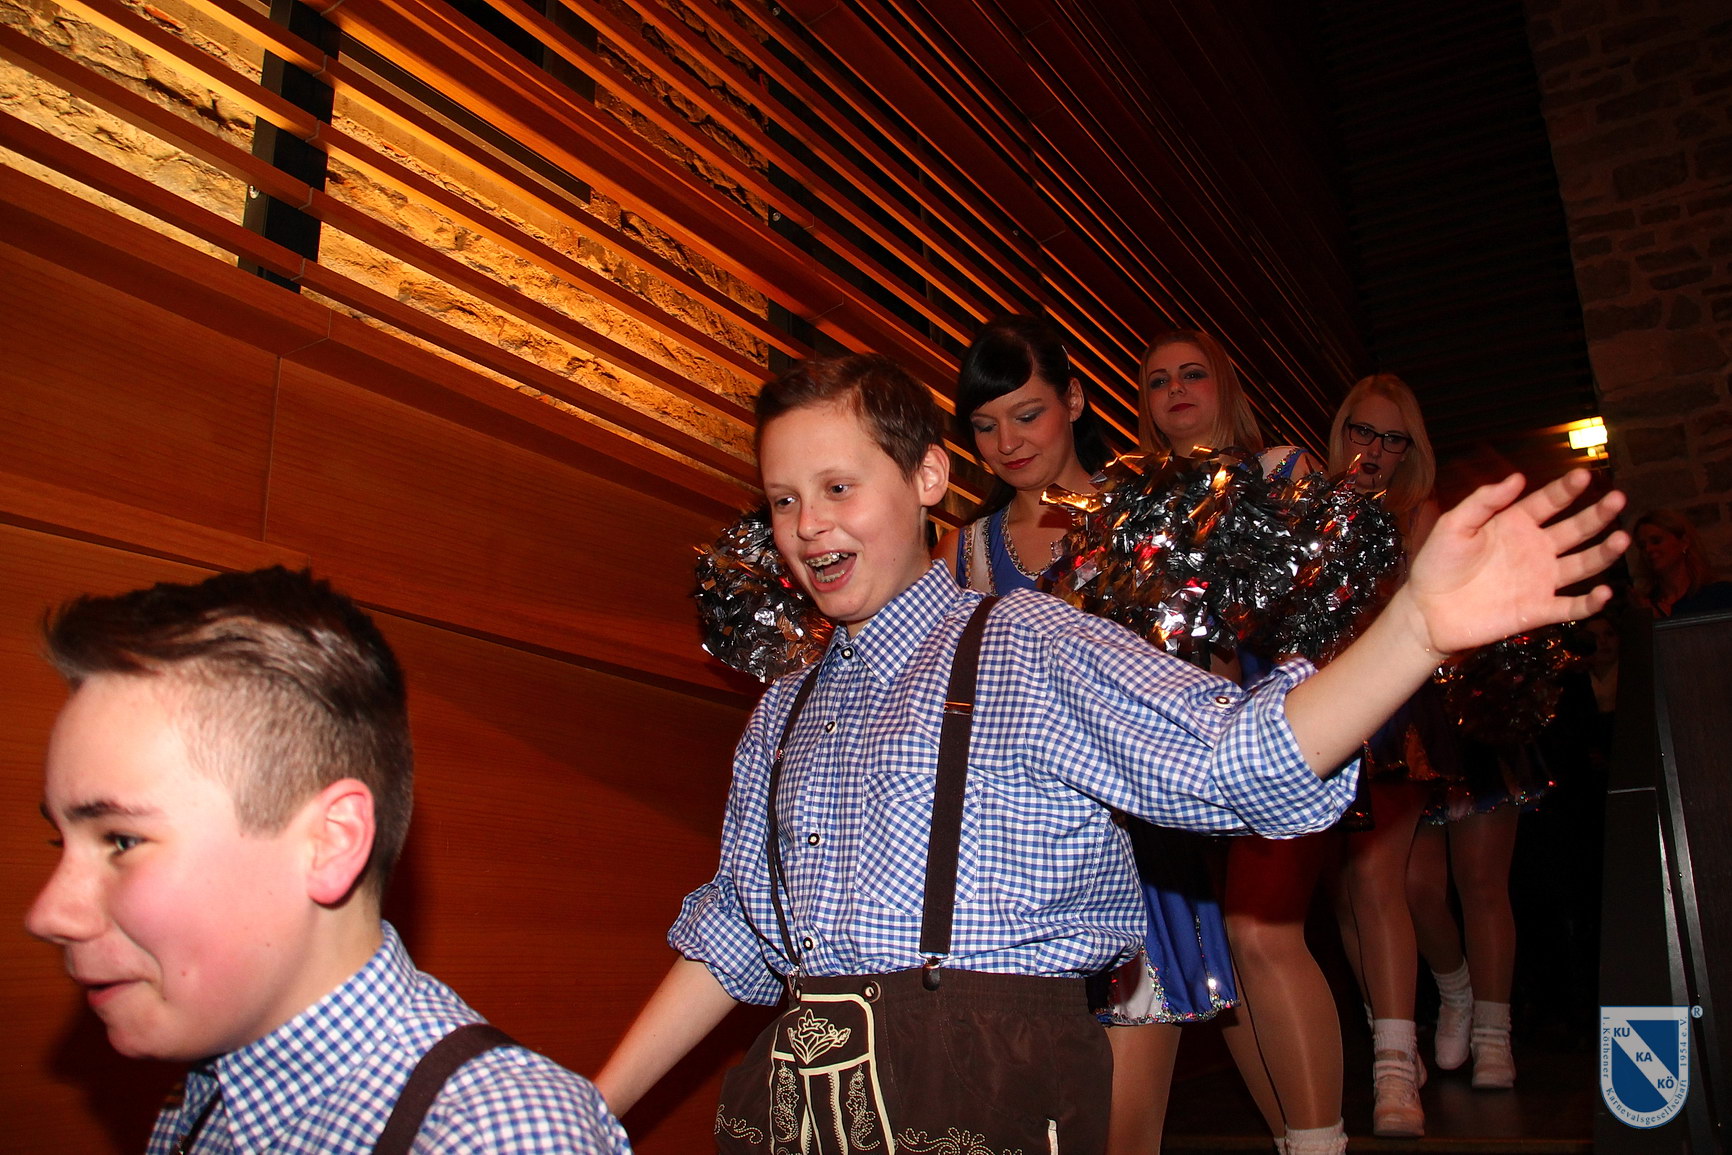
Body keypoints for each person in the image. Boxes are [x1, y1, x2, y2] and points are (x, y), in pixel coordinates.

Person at [593, 352, 1625, 1155]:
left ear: (927, 476)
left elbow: (1234, 759)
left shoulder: (1027, 646)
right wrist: (596, 1105)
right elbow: (735, 932)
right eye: (783, 499)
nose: (809, 526)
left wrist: (1414, 631)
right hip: (803, 1113)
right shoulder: (782, 711)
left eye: (836, 486)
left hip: (990, 1095)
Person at [25, 567, 631, 1154]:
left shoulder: (494, 1139)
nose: (48, 914)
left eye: (121, 841)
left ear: (330, 841)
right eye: (62, 843)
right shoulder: (209, 1091)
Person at [935, 315, 1232, 1155]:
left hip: (1139, 861)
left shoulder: (1148, 511)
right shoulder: (961, 553)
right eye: (985, 425)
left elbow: (1209, 673)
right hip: (1013, 879)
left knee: (1120, 1136)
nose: (1007, 442)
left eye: (1027, 413)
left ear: (1073, 399)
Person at [1141, 330, 1358, 1154]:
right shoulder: (1137, 507)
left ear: (1226, 387)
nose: (1176, 389)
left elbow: (1332, 598)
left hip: (1284, 727)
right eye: (1158, 380)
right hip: (1184, 751)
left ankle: (1322, 1143)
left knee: (1262, 934)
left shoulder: (1279, 469)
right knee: (1224, 967)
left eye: (1193, 373)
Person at [1323, 375, 1442, 1138]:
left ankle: (1395, 1067)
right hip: (1321, 707)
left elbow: (1418, 615)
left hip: (1395, 708)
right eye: (1362, 431)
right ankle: (1392, 1034)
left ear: (1410, 452)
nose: (1373, 448)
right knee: (1343, 895)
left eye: (1392, 439)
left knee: (1378, 880)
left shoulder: (1419, 516)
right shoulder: (1306, 504)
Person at [1630, 508, 1732, 618]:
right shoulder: (1645, 604)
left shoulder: (1720, 595)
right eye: (1642, 546)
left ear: (1684, 542)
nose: (1648, 549)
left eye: (1656, 541)